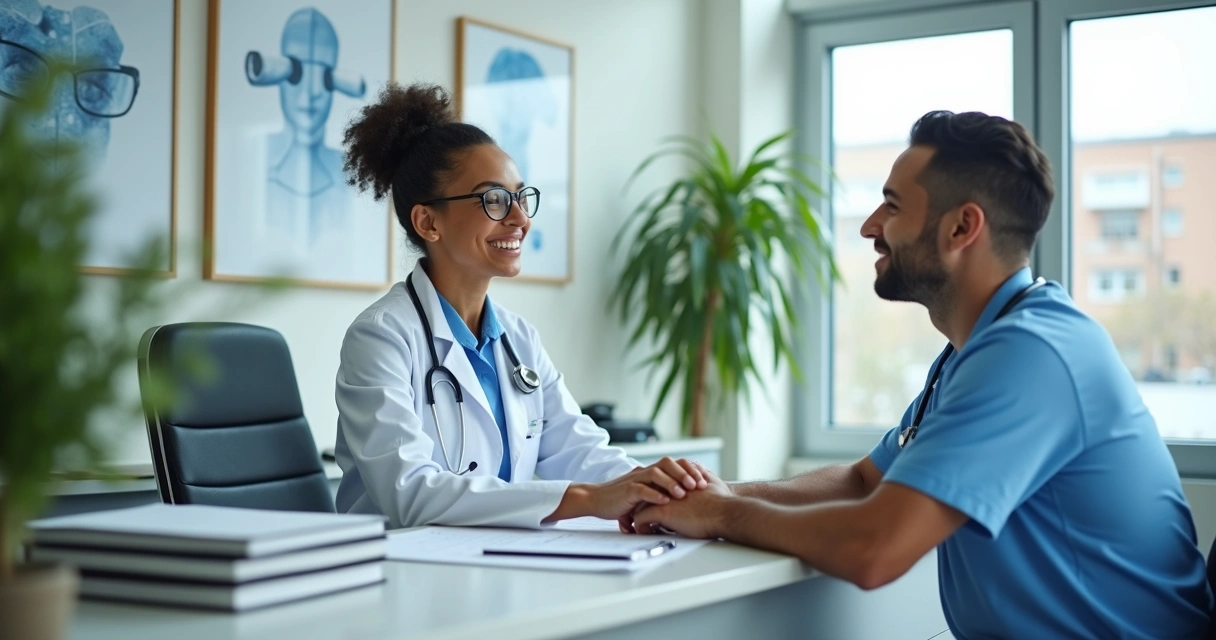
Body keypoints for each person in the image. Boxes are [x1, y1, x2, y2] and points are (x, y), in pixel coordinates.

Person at [628, 111, 1214, 639]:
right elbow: (864, 481)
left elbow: (874, 548)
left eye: (893, 205)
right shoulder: (976, 350)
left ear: (962, 228)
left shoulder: (1032, 354)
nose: (868, 226)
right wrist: (720, 492)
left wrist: (724, 516)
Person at [334, 82, 706, 530]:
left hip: (492, 561)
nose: (520, 218)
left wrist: (656, 489)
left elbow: (580, 450)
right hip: (396, 570)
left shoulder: (518, 340)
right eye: (493, 199)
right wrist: (589, 498)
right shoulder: (381, 336)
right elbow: (411, 492)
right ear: (428, 221)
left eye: (520, 196)